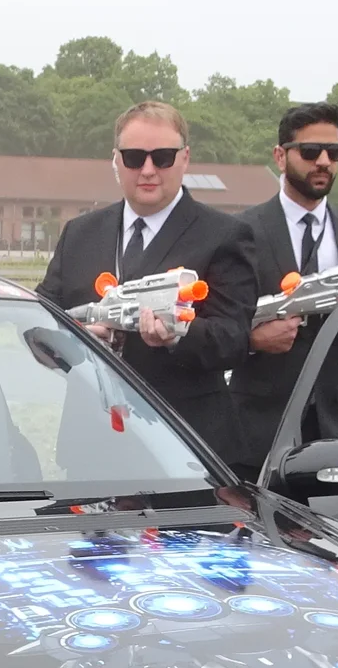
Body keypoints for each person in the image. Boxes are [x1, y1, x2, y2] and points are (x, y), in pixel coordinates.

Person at [35, 100, 254, 465]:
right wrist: (79, 338)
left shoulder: (225, 235)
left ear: (185, 158)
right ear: (116, 160)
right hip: (92, 444)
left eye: (163, 157)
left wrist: (178, 336)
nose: (148, 170)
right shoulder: (80, 233)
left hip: (186, 446)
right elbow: (39, 325)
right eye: (135, 157)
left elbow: (234, 340)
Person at [226, 100, 338, 474]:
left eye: (335, 152)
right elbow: (220, 326)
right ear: (280, 157)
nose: (324, 162)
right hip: (256, 431)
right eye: (311, 151)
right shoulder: (240, 232)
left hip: (334, 427)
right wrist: (253, 341)